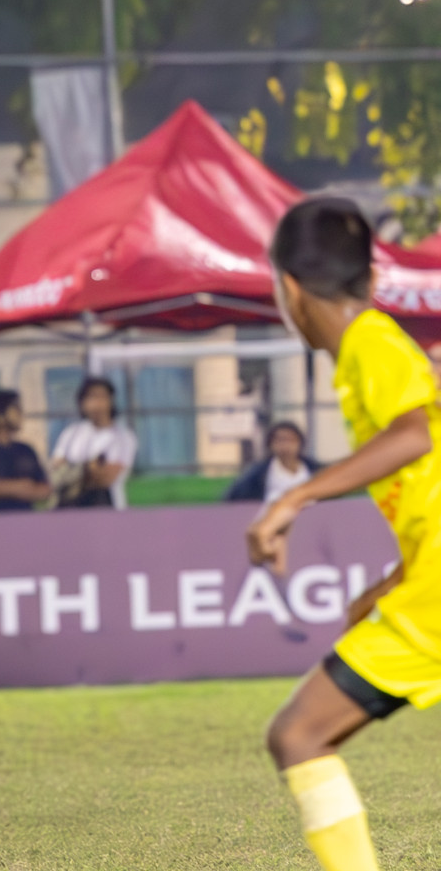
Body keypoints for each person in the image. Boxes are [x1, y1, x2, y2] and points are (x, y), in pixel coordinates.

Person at [247, 197, 441, 871]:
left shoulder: (370, 341)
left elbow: (415, 436)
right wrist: (391, 584)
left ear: (289, 289)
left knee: (300, 734)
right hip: (426, 584)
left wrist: (294, 497)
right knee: (301, 734)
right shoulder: (374, 346)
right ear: (372, 277)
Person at [50, 376, 138, 509]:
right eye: (91, 397)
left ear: (110, 401)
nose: (96, 403)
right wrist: (88, 469)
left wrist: (75, 472)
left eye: (101, 397)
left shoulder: (123, 437)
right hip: (69, 507)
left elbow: (106, 478)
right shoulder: (71, 433)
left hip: (107, 508)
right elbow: (56, 470)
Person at [0, 389, 51, 512]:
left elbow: (45, 490)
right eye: (16, 408)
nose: (21, 413)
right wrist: (24, 486)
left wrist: (5, 487)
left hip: (25, 522)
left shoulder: (26, 450)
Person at [224, 421, 322, 505]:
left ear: (300, 443)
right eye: (280, 440)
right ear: (270, 444)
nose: (285, 445)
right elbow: (233, 498)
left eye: (291, 440)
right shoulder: (258, 473)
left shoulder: (315, 470)